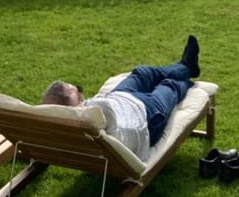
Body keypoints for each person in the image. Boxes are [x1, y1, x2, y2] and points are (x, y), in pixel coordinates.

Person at [42, 34, 200, 159]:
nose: (82, 94)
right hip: (145, 115)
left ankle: (185, 66)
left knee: (142, 72)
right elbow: (103, 112)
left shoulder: (50, 123)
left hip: (120, 97)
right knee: (169, 85)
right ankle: (186, 67)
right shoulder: (95, 114)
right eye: (78, 92)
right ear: (75, 106)